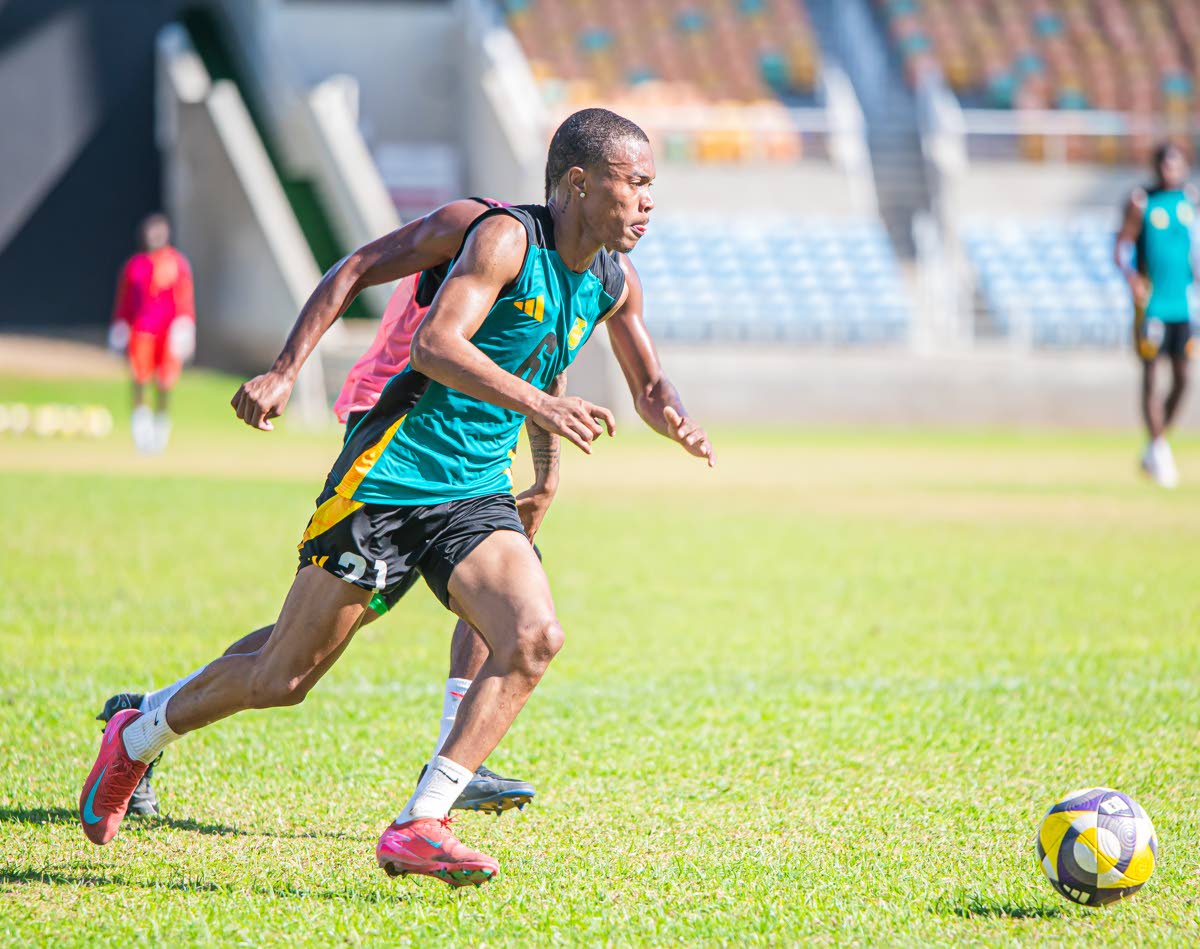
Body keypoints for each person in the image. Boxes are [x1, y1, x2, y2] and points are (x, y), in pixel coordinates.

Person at [79, 108, 714, 888]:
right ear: (580, 182)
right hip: (392, 475)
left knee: (534, 633)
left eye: (653, 186)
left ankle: (422, 820)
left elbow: (647, 380)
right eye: (637, 183)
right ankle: (135, 735)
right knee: (283, 675)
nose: (649, 201)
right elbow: (432, 344)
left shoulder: (613, 283)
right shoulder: (502, 238)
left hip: (474, 490)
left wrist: (670, 412)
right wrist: (284, 371)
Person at [1115, 142, 1197, 488]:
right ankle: (1160, 450)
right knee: (1151, 375)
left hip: (1184, 306)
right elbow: (1121, 246)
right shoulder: (1141, 203)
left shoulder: (1190, 202)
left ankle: (1154, 445)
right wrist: (1133, 279)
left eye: (1176, 165)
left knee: (1182, 377)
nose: (1170, 171)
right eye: (1165, 165)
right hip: (1153, 307)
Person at [109, 213, 196, 453]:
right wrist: (120, 326)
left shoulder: (177, 263)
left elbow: (185, 298)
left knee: (165, 381)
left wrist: (186, 325)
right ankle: (141, 426)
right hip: (142, 330)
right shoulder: (135, 265)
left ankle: (161, 426)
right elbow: (125, 301)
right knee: (139, 378)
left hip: (168, 333)